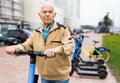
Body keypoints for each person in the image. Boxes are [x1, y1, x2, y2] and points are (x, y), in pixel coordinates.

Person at [5, 2, 75, 83]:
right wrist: (14, 48)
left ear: (54, 14)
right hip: (44, 76)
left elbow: (70, 47)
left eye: (50, 12)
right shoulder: (36, 32)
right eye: (44, 12)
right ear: (39, 15)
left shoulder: (63, 30)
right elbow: (26, 46)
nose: (47, 14)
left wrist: (56, 50)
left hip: (60, 77)